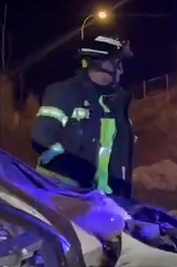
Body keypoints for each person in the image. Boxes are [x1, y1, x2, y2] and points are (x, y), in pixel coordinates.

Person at [31, 34, 136, 199]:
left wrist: (120, 188)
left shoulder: (117, 104)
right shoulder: (65, 93)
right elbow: (41, 139)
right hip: (65, 197)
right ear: (104, 63)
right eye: (118, 63)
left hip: (106, 201)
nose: (122, 70)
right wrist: (77, 170)